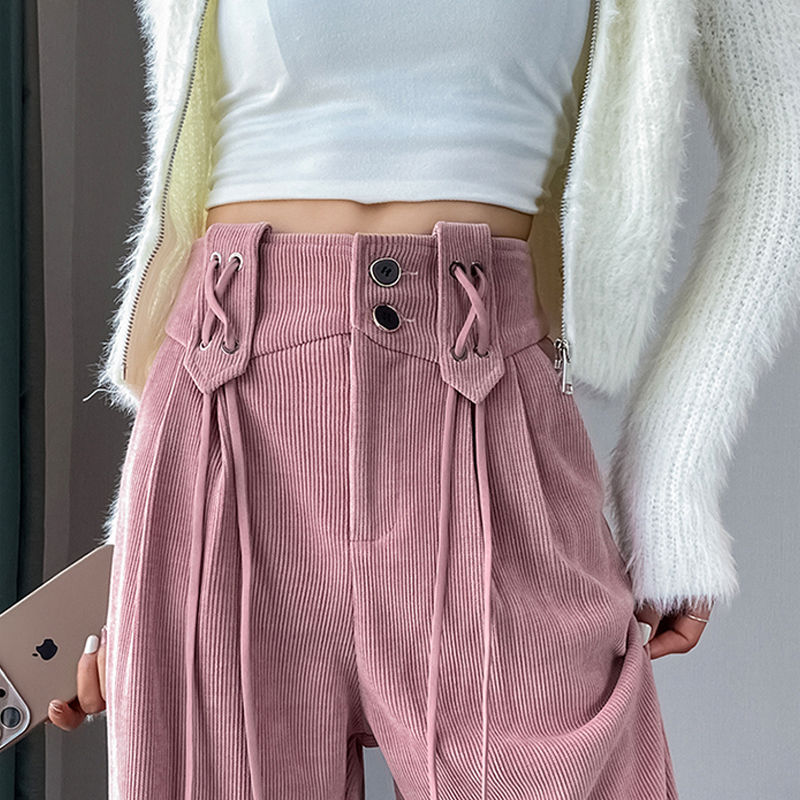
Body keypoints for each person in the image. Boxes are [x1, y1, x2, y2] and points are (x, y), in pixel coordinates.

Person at [48, 0, 799, 798]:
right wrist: (145, 552)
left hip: (487, 414)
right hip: (225, 419)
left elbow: (782, 134)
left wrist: (670, 481)